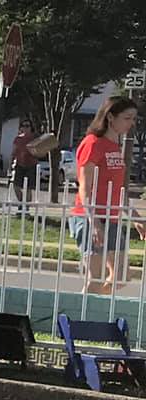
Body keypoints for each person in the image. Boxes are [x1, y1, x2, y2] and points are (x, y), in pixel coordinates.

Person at [71, 95, 136, 296]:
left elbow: (117, 189)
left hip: (112, 217)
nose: (131, 124)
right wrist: (94, 222)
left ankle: (96, 305)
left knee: (122, 275)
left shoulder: (115, 147)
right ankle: (79, 319)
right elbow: (85, 186)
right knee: (96, 277)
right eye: (127, 118)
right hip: (90, 216)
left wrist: (135, 218)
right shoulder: (93, 143)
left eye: (134, 119)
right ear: (110, 117)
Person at [9, 121, 42, 204]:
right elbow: (13, 152)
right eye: (23, 126)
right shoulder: (18, 139)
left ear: (31, 127)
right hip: (19, 165)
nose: (25, 128)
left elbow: (41, 152)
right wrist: (10, 166)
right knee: (15, 186)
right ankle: (21, 203)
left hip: (31, 165)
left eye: (27, 126)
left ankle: (26, 208)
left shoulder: (35, 138)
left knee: (28, 188)